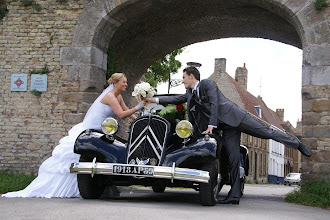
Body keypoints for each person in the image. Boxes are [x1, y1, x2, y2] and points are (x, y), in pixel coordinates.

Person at [144, 66, 311, 205]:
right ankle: (234, 195)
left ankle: (297, 144)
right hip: (226, 128)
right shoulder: (190, 93)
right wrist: (153, 100)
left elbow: (215, 103)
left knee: (266, 132)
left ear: (191, 76)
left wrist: (211, 125)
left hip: (235, 117)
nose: (182, 80)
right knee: (232, 158)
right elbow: (176, 99)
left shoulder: (208, 84)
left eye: (184, 77)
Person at [2, 73, 143, 198]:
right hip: (92, 128)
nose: (126, 84)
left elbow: (128, 112)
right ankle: (77, 185)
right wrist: (139, 106)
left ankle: (87, 185)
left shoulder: (118, 96)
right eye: (123, 81)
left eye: (126, 81)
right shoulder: (110, 96)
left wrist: (140, 120)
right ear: (115, 83)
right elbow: (120, 114)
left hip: (102, 129)